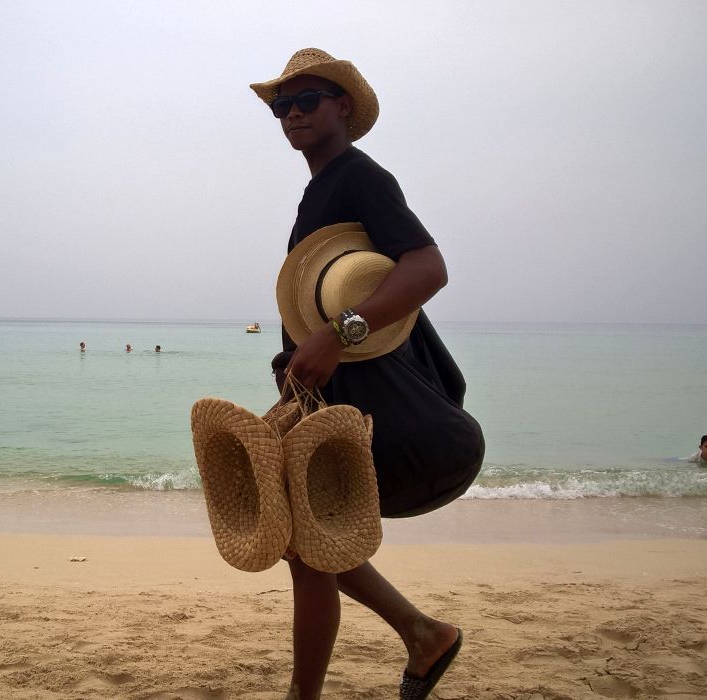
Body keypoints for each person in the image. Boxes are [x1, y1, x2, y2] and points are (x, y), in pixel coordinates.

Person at [249, 48, 484, 700]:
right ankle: (418, 635)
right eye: (280, 106)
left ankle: (404, 642)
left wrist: (338, 331)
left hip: (360, 391)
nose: (291, 114)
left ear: (341, 106)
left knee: (307, 542)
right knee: (307, 544)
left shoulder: (360, 177)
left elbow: (428, 266)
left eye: (306, 100)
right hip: (328, 394)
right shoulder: (320, 189)